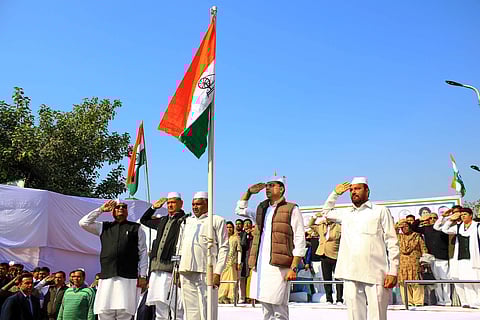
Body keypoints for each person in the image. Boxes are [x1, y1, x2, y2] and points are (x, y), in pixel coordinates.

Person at [322, 178, 399, 320]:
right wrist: (335, 194)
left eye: (357, 189)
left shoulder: (380, 211)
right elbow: (325, 212)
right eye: (351, 190)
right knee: (354, 316)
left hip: (375, 273)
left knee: (378, 316)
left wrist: (393, 271)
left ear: (367, 191)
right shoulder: (346, 213)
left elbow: (392, 241)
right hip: (350, 273)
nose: (353, 192)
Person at [235, 176, 306, 320]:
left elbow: (300, 238)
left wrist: (293, 267)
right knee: (266, 308)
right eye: (266, 185)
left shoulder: (292, 208)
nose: (267, 188)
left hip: (280, 265)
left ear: (281, 189)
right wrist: (249, 192)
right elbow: (239, 210)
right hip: (261, 264)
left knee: (279, 308)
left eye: (272, 185)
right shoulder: (262, 209)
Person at [79, 200, 148, 320]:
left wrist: (143, 275)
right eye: (117, 207)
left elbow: (143, 252)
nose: (120, 208)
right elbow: (83, 223)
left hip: (128, 276)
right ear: (112, 211)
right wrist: (101, 209)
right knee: (105, 311)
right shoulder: (104, 227)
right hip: (107, 276)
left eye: (123, 207)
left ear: (127, 211)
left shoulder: (136, 228)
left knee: (124, 312)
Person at [178, 192, 229, 320]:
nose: (195, 207)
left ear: (207, 204)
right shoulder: (186, 222)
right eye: (193, 204)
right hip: (185, 270)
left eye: (198, 204)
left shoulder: (217, 220)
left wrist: (218, 272)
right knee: (190, 311)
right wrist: (177, 269)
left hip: (206, 271)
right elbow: (179, 246)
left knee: (207, 309)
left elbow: (224, 247)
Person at [140, 192, 187, 320]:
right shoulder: (162, 220)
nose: (170, 205)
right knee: (159, 305)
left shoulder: (185, 221)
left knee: (176, 306)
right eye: (169, 203)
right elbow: (144, 220)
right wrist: (153, 208)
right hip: (156, 269)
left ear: (181, 203)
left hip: (172, 270)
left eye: (173, 202)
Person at [440, 207, 480, 308]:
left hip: (474, 258)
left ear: (471, 215)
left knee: (476, 281)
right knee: (465, 281)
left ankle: (478, 301)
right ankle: (470, 302)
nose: (463, 216)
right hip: (462, 259)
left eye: (465, 214)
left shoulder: (477, 226)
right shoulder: (458, 227)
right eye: (461, 215)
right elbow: (444, 229)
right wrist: (450, 219)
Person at [411, 212, 451, 306]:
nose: (432, 220)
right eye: (430, 218)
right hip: (432, 258)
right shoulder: (427, 228)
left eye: (434, 218)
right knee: (436, 280)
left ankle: (447, 300)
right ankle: (440, 300)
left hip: (443, 257)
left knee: (445, 279)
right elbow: (413, 227)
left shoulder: (443, 228)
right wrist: (420, 219)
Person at [309, 214, 343, 305]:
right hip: (324, 255)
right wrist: (314, 217)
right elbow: (310, 225)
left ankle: (339, 299)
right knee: (326, 278)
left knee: (338, 278)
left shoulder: (338, 226)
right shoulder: (321, 226)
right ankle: (329, 299)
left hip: (336, 255)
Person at [396, 219, 427, 306]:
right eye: (402, 227)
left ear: (410, 227)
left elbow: (423, 248)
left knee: (416, 281)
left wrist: (424, 260)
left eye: (406, 226)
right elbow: (392, 230)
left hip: (415, 261)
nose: (404, 228)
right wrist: (398, 225)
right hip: (403, 262)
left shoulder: (417, 236)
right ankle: (408, 302)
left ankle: (418, 302)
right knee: (403, 282)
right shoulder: (398, 237)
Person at [218, 221, 242, 304]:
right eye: (227, 227)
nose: (229, 229)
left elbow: (239, 251)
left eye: (230, 227)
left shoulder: (236, 238)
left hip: (232, 263)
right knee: (222, 279)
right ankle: (222, 296)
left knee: (232, 279)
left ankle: (231, 297)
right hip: (222, 263)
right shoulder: (222, 238)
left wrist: (239, 262)